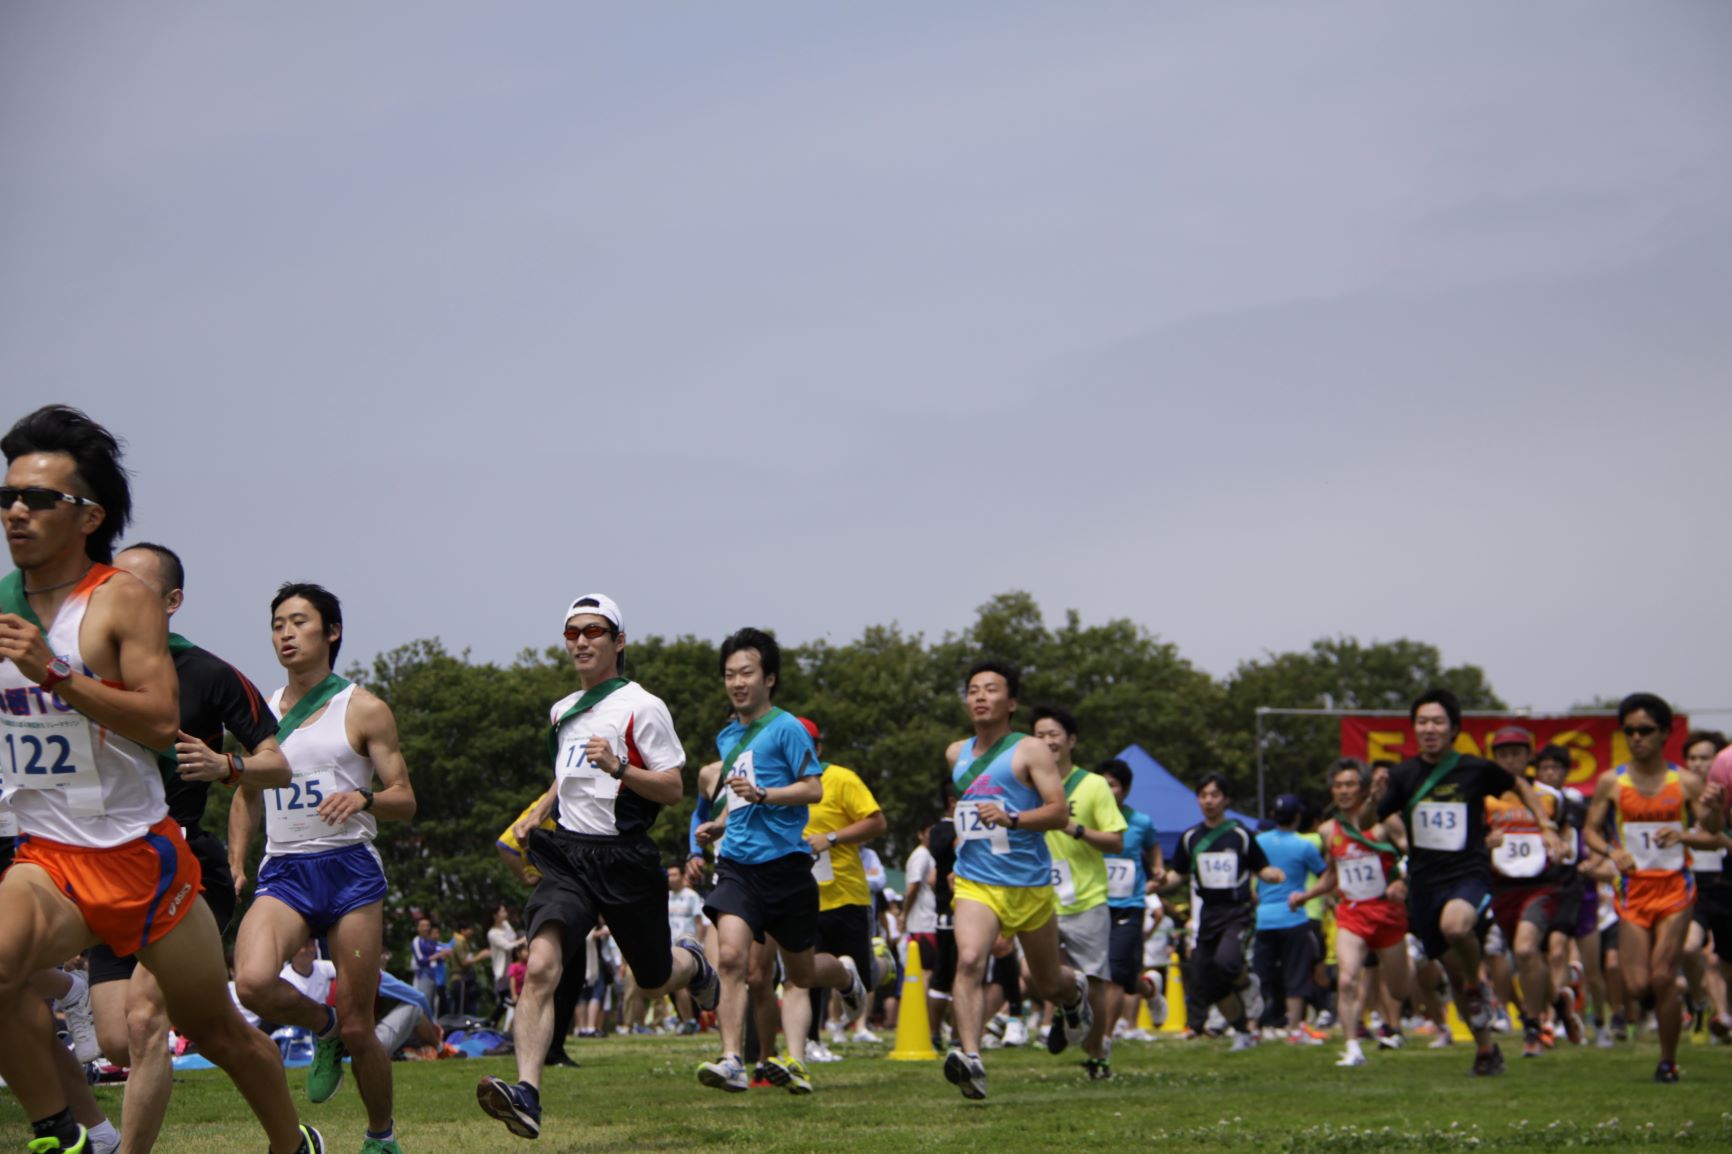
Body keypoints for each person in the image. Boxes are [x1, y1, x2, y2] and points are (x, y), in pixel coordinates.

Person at [0, 405, 323, 1154]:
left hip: (141, 857)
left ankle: (290, 1143)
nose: (17, 511)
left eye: (39, 498)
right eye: (7, 496)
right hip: (48, 856)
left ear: (88, 516)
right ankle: (64, 1132)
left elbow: (155, 720)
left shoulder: (120, 602)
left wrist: (50, 671)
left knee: (210, 1027)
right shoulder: (6, 602)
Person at [67, 541, 297, 1154]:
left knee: (146, 1021)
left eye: (135, 591)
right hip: (105, 869)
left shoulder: (209, 674)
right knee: (123, 1038)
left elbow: (278, 766)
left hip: (184, 867)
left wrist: (227, 765)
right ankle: (285, 1120)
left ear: (172, 602)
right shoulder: (78, 669)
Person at [478, 594, 719, 1138]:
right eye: (572, 633)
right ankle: (527, 1095)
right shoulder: (562, 710)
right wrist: (539, 812)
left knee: (654, 980)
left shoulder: (643, 706)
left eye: (594, 631)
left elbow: (674, 788)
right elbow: (567, 777)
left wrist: (620, 765)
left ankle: (695, 966)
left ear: (619, 641)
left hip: (625, 858)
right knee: (539, 964)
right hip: (568, 855)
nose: (582, 641)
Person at [230, 581, 417, 1154]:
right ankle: (323, 1029)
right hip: (284, 869)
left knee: (363, 1025)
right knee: (254, 982)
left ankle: (380, 1137)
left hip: (349, 871)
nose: (285, 633)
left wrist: (364, 799)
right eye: (277, 624)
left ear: (331, 632)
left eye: (299, 622)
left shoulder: (362, 707)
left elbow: (405, 799)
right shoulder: (258, 712)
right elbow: (243, 791)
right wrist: (236, 862)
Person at [691, 628, 866, 1096]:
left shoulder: (787, 728)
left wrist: (766, 795)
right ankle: (731, 1058)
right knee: (731, 958)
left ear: (769, 678)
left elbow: (813, 788)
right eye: (729, 675)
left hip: (787, 866)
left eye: (746, 673)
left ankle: (847, 975)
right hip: (737, 867)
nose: (737, 682)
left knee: (802, 973)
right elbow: (742, 795)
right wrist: (721, 824)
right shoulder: (728, 736)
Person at [1376, 688, 1562, 1077]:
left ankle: (1481, 983)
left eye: (1438, 722)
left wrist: (1544, 824)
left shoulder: (1474, 769)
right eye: (1422, 722)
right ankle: (1486, 1049)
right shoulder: (1401, 776)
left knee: (1456, 926)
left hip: (1467, 875)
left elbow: (1518, 785)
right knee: (1454, 978)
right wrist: (1371, 797)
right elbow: (1365, 820)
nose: (1429, 728)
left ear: (1453, 728)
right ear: (1414, 729)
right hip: (1424, 884)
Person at [941, 661, 1092, 1100]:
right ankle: (970, 1059)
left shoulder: (1030, 750)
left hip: (1027, 884)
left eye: (991, 689)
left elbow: (1059, 812)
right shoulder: (956, 754)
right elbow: (968, 812)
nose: (980, 697)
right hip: (975, 880)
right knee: (969, 959)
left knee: (1047, 982)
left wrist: (1013, 817)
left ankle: (1073, 992)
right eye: (973, 690)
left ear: (1012, 702)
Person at [1583, 692, 1723, 1082]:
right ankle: (1685, 1001)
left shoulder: (1686, 782)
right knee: (1637, 983)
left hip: (1676, 889)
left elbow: (1713, 836)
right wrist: (1613, 852)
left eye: (1645, 730)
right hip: (1633, 890)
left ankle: (1667, 1061)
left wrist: (1685, 834)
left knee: (1662, 976)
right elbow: (1591, 831)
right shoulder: (1613, 781)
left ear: (1665, 733)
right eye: (1629, 731)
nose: (1636, 738)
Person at [1296, 758, 1414, 1067]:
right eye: (1338, 785)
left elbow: (1413, 856)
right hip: (1352, 913)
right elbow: (1333, 875)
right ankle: (1352, 1047)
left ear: (1363, 788)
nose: (1344, 791)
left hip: (1388, 913)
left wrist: (1403, 883)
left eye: (1350, 784)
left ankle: (1410, 966)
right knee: (1347, 979)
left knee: (1400, 989)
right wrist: (1306, 895)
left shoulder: (1385, 822)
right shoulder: (1327, 830)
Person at [1031, 705, 1125, 1078]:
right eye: (1038, 735)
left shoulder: (1093, 785)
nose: (1046, 741)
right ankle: (1070, 1004)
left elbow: (1116, 841)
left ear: (1071, 740)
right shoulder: (1027, 785)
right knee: (1032, 974)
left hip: (1085, 899)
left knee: (1097, 980)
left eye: (1053, 734)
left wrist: (1075, 828)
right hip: (1039, 896)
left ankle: (1097, 1053)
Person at [785, 716, 886, 1064]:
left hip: (846, 893)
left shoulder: (841, 778)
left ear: (818, 748)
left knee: (863, 975)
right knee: (805, 972)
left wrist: (829, 838)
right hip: (802, 895)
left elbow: (876, 821)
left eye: (806, 745)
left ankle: (884, 965)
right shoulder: (778, 784)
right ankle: (810, 1040)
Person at [1160, 774, 1284, 1052]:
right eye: (1203, 795)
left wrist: (1271, 875)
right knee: (1207, 982)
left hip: (1237, 912)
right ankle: (1242, 1031)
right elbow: (1177, 875)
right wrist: (1158, 884)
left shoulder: (1240, 834)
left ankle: (1247, 982)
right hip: (1208, 914)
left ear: (1226, 799)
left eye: (1214, 795)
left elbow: (1259, 866)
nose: (1209, 801)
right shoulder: (1190, 837)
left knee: (1227, 962)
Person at [1481, 725, 1566, 1058]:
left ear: (1528, 757)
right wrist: (1485, 843)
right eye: (1503, 754)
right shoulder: (1483, 799)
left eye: (1516, 753)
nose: (1510, 760)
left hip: (1539, 886)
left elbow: (1567, 838)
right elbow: (1471, 842)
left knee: (1527, 950)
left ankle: (1532, 1025)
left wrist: (1558, 845)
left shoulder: (1548, 798)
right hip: (1499, 888)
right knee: (1511, 958)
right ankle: (1556, 1002)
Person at [1253, 794, 1328, 1045]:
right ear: (1298, 817)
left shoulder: (1259, 842)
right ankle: (1294, 1029)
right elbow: (1326, 875)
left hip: (1264, 918)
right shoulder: (1305, 846)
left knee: (1263, 975)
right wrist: (1306, 895)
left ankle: (1256, 1026)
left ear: (1272, 816)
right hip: (1294, 917)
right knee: (1296, 975)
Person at [1098, 759, 1162, 1043]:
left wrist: (1157, 868)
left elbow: (1153, 846)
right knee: (1108, 974)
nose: (1107, 790)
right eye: (1102, 784)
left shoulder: (1140, 822)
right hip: (1094, 904)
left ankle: (1105, 1038)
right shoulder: (1088, 820)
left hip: (1130, 904)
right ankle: (1149, 989)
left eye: (1112, 785)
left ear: (1125, 789)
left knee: (1115, 970)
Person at [667, 866, 708, 1033]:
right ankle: (687, 1020)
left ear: (682, 875)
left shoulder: (691, 896)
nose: (671, 878)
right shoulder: (667, 897)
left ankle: (694, 1019)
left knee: (690, 985)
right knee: (677, 985)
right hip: (670, 946)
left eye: (675, 874)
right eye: (668, 875)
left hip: (688, 944)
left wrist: (699, 944)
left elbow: (699, 923)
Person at [486, 904, 526, 1027]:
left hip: (512, 966)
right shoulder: (492, 933)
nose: (505, 913)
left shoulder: (506, 925)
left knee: (507, 1001)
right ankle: (493, 1022)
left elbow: (513, 938)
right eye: (502, 911)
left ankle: (494, 1022)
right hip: (503, 971)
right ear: (495, 915)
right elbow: (508, 946)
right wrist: (524, 939)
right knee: (506, 1000)